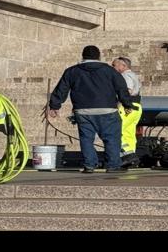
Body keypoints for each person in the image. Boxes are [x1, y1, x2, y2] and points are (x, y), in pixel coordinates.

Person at [45, 45, 135, 173]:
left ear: (83, 56)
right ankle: (113, 165)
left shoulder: (72, 71)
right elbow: (121, 88)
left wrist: (54, 106)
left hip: (83, 110)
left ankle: (89, 165)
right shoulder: (109, 70)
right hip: (107, 109)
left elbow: (62, 89)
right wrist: (127, 104)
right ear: (99, 56)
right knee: (111, 138)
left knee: (86, 138)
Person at [112, 56, 142, 163]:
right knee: (129, 133)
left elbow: (126, 91)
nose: (113, 67)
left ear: (123, 66)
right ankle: (131, 156)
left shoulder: (125, 76)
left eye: (114, 65)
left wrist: (123, 104)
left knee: (117, 131)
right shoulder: (133, 75)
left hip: (127, 106)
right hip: (136, 106)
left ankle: (127, 155)